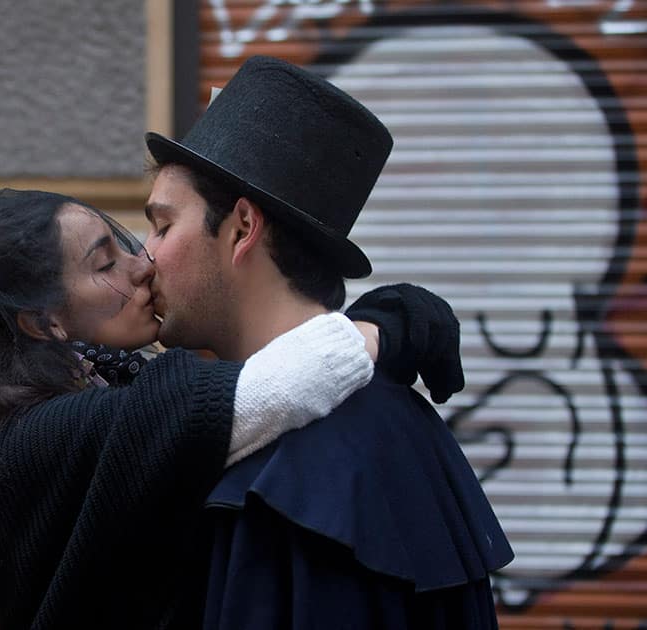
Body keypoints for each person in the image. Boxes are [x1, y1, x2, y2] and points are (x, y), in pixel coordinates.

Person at [0, 188, 463, 629]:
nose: (142, 266)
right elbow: (263, 392)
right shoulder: (35, 438)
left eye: (136, 240)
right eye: (104, 264)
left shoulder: (80, 404)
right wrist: (384, 325)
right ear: (44, 322)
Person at [142, 55, 514, 629]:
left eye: (163, 226)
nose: (146, 259)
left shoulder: (302, 469)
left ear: (241, 228)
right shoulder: (396, 422)